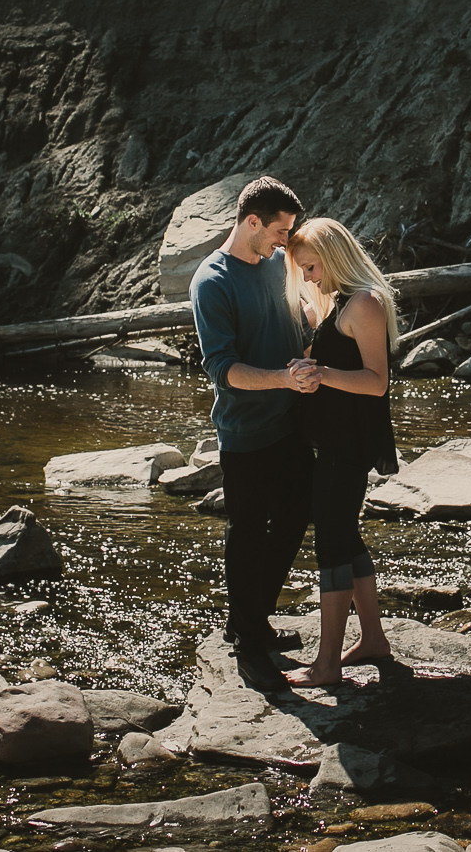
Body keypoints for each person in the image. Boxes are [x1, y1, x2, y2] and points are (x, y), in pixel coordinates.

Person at [188, 175, 318, 656]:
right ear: (252, 222)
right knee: (247, 530)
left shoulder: (279, 262)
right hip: (245, 431)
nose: (287, 242)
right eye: (280, 232)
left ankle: (248, 619)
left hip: (293, 421)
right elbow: (223, 370)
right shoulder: (212, 281)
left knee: (295, 516)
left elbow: (299, 314)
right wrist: (284, 379)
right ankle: (248, 632)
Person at [280, 217, 401, 687]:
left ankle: (326, 664)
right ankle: (373, 639)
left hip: (348, 444)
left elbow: (377, 382)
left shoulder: (365, 303)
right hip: (336, 439)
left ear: (332, 258)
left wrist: (323, 373)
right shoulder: (343, 303)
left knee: (331, 544)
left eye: (311, 267)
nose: (309, 278)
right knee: (345, 538)